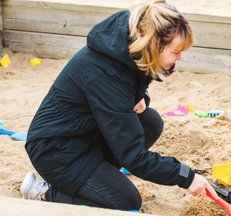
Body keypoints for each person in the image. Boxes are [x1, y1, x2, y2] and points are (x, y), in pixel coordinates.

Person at [20, 0, 218, 211]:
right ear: (153, 46)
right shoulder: (106, 73)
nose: (180, 57)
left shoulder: (129, 48)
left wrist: (143, 98)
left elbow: (131, 89)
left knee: (150, 122)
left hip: (84, 134)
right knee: (125, 201)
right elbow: (133, 156)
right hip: (56, 150)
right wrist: (186, 177)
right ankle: (44, 192)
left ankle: (97, 179)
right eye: (176, 51)